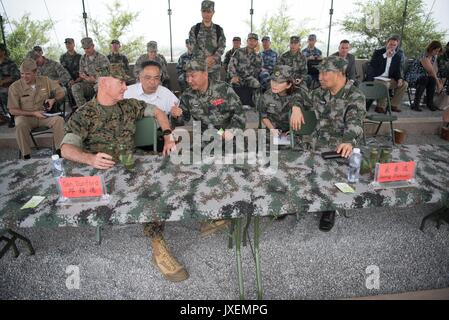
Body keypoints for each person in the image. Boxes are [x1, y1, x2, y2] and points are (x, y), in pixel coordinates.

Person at [60, 64, 182, 282]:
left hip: (130, 164)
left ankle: (164, 237)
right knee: (149, 192)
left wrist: (167, 134)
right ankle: (158, 245)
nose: (126, 87)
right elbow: (66, 149)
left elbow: (158, 111)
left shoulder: (128, 106)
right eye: (121, 83)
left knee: (164, 178)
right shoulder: (85, 114)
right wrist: (90, 158)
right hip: (103, 172)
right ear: (104, 83)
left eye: (126, 83)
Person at [305, 56, 366, 231]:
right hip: (317, 141)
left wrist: (348, 140)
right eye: (319, 72)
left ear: (340, 73)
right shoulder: (319, 92)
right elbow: (300, 97)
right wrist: (295, 108)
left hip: (343, 145)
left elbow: (355, 121)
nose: (320, 77)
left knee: (333, 168)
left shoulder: (355, 95)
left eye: (325, 72)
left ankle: (330, 207)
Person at [7, 59, 65, 159]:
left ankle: (60, 152)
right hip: (26, 117)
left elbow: (62, 92)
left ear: (35, 72)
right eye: (22, 74)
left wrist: (53, 100)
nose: (24, 77)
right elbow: (12, 110)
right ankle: (26, 156)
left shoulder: (45, 81)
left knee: (59, 120)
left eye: (27, 74)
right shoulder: (15, 87)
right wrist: (33, 113)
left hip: (43, 116)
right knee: (20, 124)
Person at [125, 60, 179, 150]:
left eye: (156, 78)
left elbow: (178, 116)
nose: (152, 82)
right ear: (139, 77)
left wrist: (176, 115)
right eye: (148, 78)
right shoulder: (126, 92)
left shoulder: (166, 93)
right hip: (130, 141)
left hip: (160, 139)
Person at [259, 65, 308, 142]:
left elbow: (309, 114)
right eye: (273, 80)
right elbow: (263, 116)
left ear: (289, 85)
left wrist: (294, 131)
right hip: (272, 132)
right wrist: (272, 130)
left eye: (280, 82)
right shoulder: (266, 95)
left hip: (294, 133)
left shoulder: (299, 94)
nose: (274, 85)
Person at [367, 35, 408, 113]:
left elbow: (397, 71)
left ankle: (393, 105)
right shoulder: (378, 52)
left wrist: (399, 78)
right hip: (377, 78)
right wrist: (385, 55)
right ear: (387, 43)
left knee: (404, 84)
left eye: (394, 45)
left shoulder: (397, 56)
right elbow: (373, 64)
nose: (392, 46)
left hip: (388, 79)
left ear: (397, 46)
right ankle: (380, 107)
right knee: (385, 85)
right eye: (390, 44)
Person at [188, 0, 226, 82]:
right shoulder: (195, 29)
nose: (206, 14)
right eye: (204, 11)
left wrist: (213, 58)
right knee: (198, 91)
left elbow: (222, 46)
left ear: (213, 12)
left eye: (209, 11)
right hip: (199, 68)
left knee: (214, 92)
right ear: (201, 12)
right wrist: (205, 59)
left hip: (214, 68)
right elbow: (193, 46)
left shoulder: (218, 29)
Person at [71, 37, 110, 110]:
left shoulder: (102, 58)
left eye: (88, 48)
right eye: (84, 48)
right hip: (88, 85)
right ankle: (84, 110)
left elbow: (107, 75)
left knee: (97, 87)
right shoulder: (83, 58)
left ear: (93, 46)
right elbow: (81, 72)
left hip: (100, 84)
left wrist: (95, 79)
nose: (86, 50)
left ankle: (102, 109)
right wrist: (86, 78)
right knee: (75, 87)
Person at [405, 40, 443, 111]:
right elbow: (431, 71)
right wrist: (438, 85)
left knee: (431, 79)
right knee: (425, 78)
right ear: (431, 48)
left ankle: (430, 103)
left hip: (424, 77)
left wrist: (438, 81)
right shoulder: (424, 56)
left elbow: (434, 71)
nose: (437, 53)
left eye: (438, 51)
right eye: (436, 51)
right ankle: (416, 104)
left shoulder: (433, 57)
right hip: (413, 76)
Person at [227, 32, 262, 108]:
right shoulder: (239, 52)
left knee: (257, 84)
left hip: (249, 78)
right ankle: (231, 106)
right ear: (247, 41)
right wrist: (233, 76)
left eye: (254, 41)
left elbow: (259, 70)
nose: (252, 42)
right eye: (250, 40)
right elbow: (231, 65)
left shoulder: (258, 55)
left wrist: (257, 54)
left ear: (256, 42)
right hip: (238, 77)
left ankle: (256, 106)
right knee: (231, 86)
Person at [0, 43, 20, 126]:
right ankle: (2, 117)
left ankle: (13, 116)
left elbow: (16, 76)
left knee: (4, 92)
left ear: (3, 51)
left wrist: (3, 82)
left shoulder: (10, 63)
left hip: (9, 86)